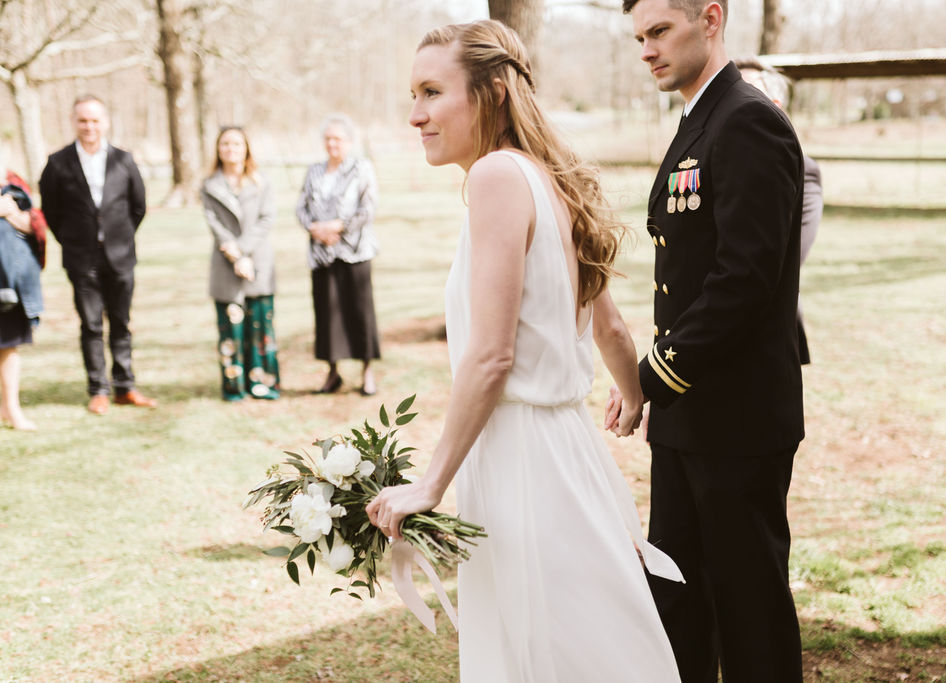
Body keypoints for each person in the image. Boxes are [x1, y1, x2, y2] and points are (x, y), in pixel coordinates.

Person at [366, 19, 683, 681]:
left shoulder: (496, 178)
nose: (415, 114)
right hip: (566, 449)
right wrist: (632, 392)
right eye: (413, 95)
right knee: (588, 634)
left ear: (494, 93)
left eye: (431, 92)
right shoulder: (548, 177)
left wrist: (428, 484)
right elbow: (613, 328)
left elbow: (491, 356)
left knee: (547, 649)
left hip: (525, 461)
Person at [609, 1, 805, 680]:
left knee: (750, 616)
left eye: (659, 31)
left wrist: (652, 375)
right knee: (681, 604)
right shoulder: (700, 119)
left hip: (739, 418)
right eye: (638, 36)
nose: (646, 50)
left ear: (711, 18)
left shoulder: (748, 120)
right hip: (689, 419)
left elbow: (745, 279)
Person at [38, 94, 156, 415]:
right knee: (91, 324)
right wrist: (73, 241)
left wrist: (120, 237)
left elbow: (138, 206)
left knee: (121, 322)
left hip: (120, 256)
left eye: (94, 120)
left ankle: (125, 387)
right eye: (83, 120)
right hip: (81, 258)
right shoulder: (58, 163)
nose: (89, 126)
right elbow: (51, 211)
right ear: (74, 122)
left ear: (105, 122)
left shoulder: (124, 160)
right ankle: (98, 390)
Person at [736, 56, 822, 365]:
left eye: (745, 94)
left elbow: (782, 257)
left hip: (765, 335)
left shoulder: (804, 171)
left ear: (775, 104)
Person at [295, 114, 381, 396]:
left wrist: (340, 227)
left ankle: (367, 372)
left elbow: (368, 209)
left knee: (359, 312)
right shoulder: (315, 171)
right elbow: (301, 207)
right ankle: (332, 373)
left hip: (354, 252)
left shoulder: (361, 168)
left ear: (349, 142)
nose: (333, 144)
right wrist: (315, 229)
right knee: (326, 314)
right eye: (328, 138)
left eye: (338, 139)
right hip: (322, 254)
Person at [201, 126, 279, 401]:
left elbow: (266, 219)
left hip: (258, 263)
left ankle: (263, 383)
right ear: (218, 149)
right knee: (230, 330)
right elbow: (215, 224)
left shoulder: (261, 182)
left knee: (260, 328)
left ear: (246, 148)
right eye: (225, 144)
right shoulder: (210, 185)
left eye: (236, 144)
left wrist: (244, 251)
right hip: (226, 264)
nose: (230, 149)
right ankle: (234, 386)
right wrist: (234, 256)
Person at [0, 151, 47, 431]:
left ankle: (12, 409)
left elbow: (36, 227)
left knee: (8, 346)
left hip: (10, 285)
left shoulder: (15, 189)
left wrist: (12, 212)